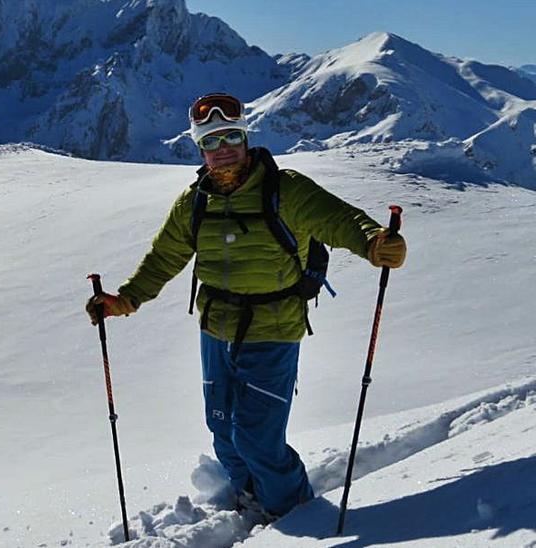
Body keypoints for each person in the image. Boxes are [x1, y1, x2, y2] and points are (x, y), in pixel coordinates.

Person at [84, 93, 407, 519]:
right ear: (200, 148)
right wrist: (124, 299)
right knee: (222, 428)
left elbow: (341, 220)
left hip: (274, 329)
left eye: (232, 137)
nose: (224, 149)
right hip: (215, 327)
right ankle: (252, 495)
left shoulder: (285, 190)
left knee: (256, 435)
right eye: (213, 142)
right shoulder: (194, 202)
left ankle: (291, 511)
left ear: (246, 138)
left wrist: (374, 242)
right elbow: (164, 258)